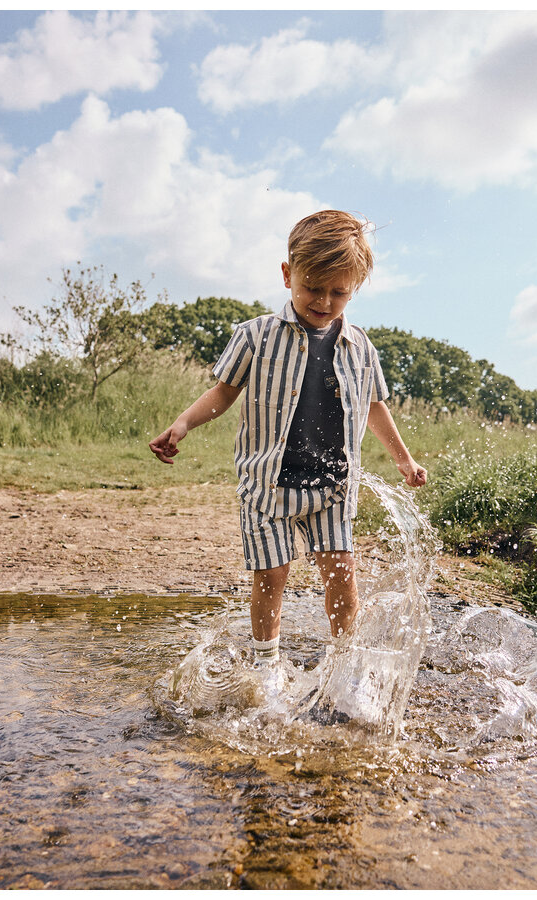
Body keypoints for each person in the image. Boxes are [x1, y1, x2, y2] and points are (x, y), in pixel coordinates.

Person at [149, 210, 426, 667]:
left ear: (355, 287)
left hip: (334, 486)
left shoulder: (361, 347)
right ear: (287, 274)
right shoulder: (256, 336)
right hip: (267, 486)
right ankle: (265, 664)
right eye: (313, 287)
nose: (324, 300)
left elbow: (375, 406)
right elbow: (223, 391)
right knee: (272, 574)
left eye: (339, 291)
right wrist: (182, 424)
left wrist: (403, 460)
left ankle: (344, 662)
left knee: (341, 573)